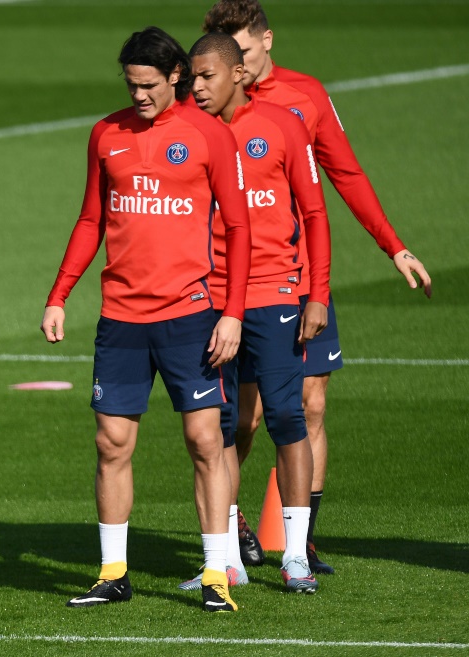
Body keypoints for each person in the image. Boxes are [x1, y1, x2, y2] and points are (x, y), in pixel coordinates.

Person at [202, 0, 433, 574]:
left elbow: (345, 174)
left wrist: (393, 245)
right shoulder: (203, 108)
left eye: (245, 52)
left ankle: (300, 542)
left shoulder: (305, 96)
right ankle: (230, 531)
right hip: (227, 286)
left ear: (267, 40)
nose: (238, 67)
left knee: (310, 405)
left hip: (297, 280)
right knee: (243, 420)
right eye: (229, 57)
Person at [40, 26, 251, 613]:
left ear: (175, 76)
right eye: (131, 85)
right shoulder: (106, 134)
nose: (138, 95)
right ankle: (113, 574)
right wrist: (59, 295)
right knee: (111, 442)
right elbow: (90, 220)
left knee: (206, 441)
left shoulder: (209, 134)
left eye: (149, 85)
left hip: (190, 316)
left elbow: (239, 227)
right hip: (122, 317)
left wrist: (233, 313)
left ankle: (215, 574)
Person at [178, 32, 331, 594]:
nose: (196, 88)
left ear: (238, 74)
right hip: (209, 298)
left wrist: (317, 292)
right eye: (192, 78)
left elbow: (314, 213)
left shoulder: (282, 126)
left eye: (207, 77)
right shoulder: (187, 133)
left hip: (273, 294)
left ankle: (295, 556)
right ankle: (225, 562)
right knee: (220, 427)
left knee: (286, 417)